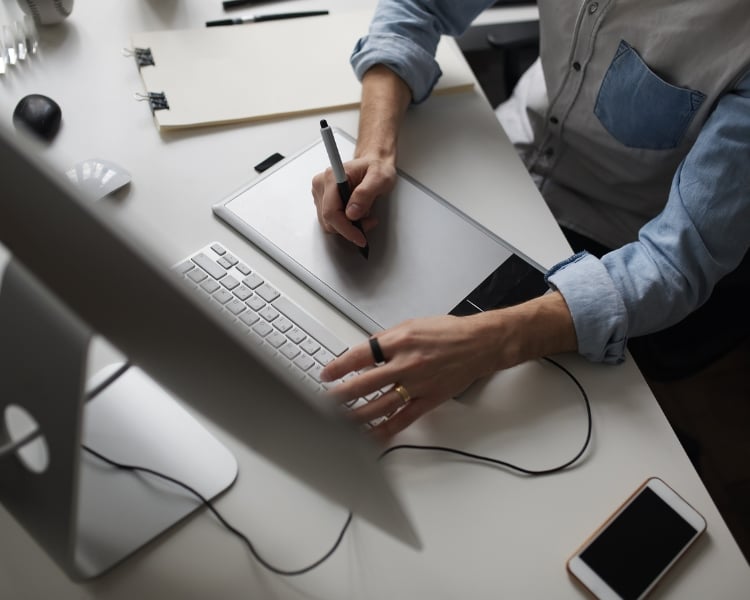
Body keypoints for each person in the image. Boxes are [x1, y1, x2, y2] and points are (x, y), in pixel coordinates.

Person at [312, 0, 750, 441]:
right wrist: (374, 150)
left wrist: (486, 343)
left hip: (611, 243)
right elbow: (418, 6)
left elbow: (676, 261)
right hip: (508, 151)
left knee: (455, 433)